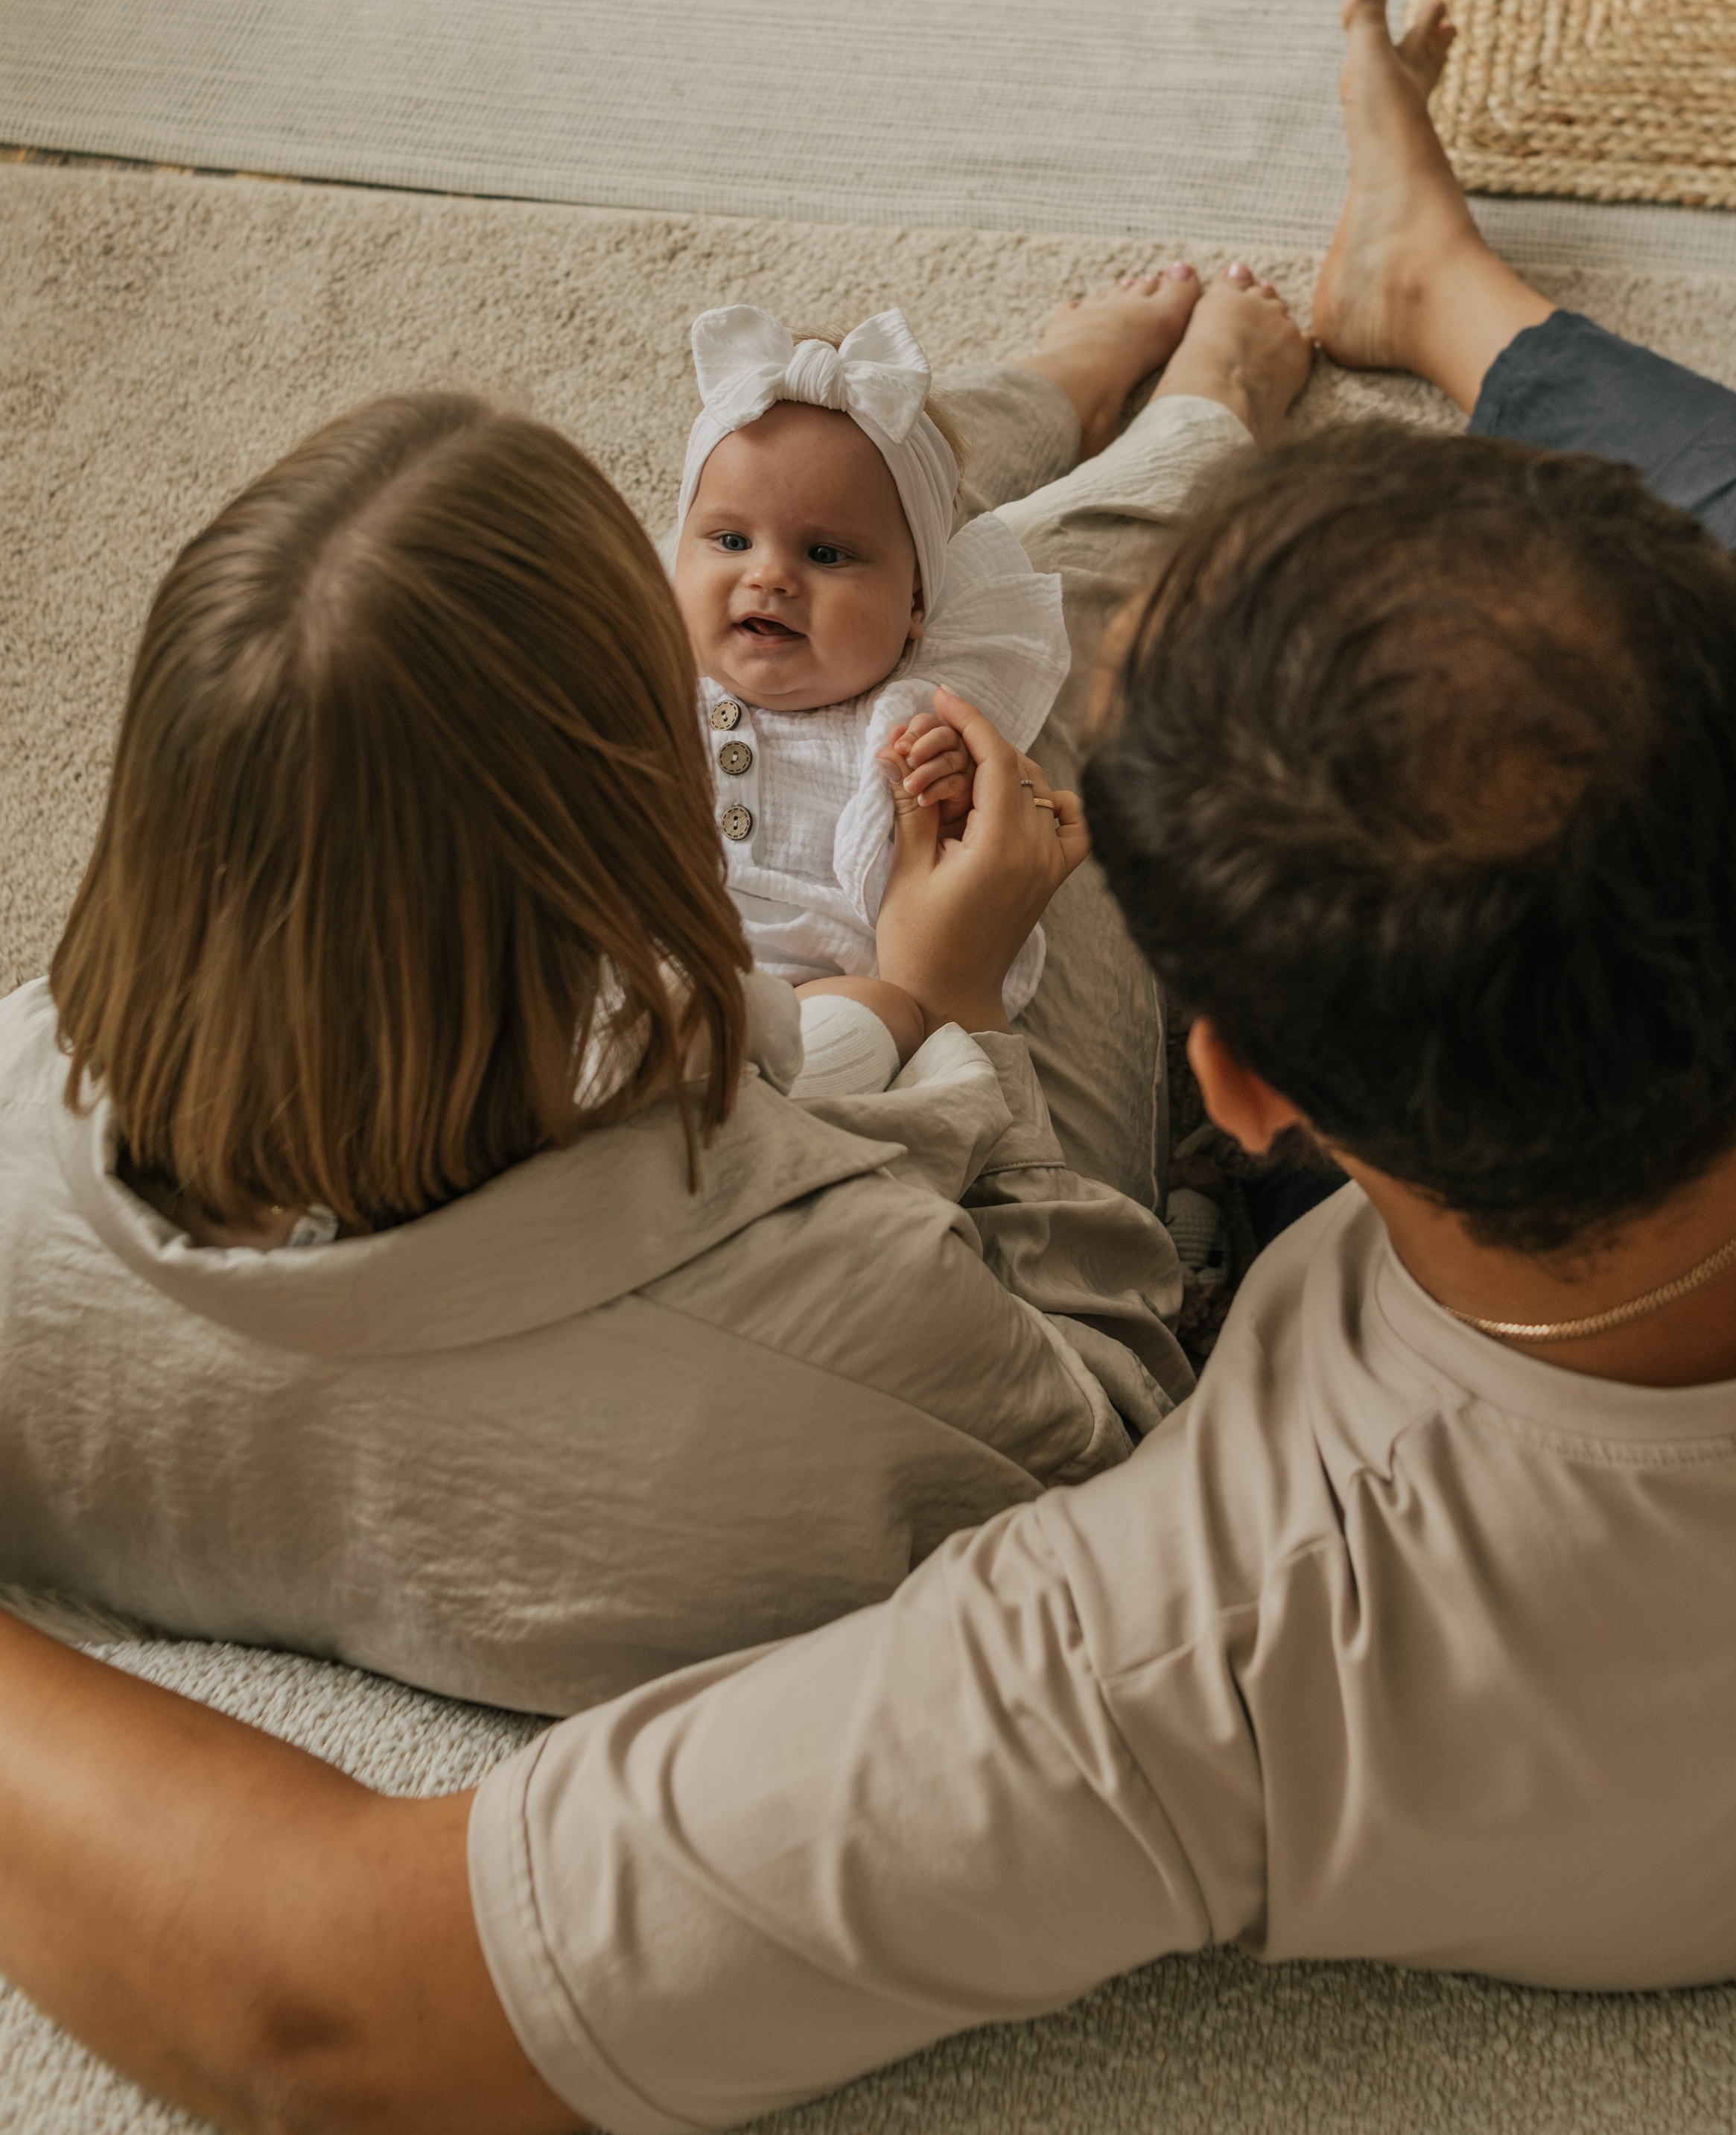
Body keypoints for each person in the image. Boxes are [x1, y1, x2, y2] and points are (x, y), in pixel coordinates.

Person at [5, 0, 1736, 2135]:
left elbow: (312, 2000)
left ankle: (1431, 294)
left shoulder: (1186, 1648)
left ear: (1244, 1090)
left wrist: (940, 1002)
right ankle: (1444, 291)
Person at [0, 272, 1309, 1716]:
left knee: (822, 557)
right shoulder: (861, 1340)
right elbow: (1107, 1438)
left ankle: (1016, 405)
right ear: (650, 808)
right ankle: (1181, 426)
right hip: (874, 1080)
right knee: (1011, 689)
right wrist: (955, 1003)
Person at [673, 296, 1073, 1088]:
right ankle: (1077, 386)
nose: (770, 574)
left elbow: (960, 909)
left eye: (825, 552)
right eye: (729, 540)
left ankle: (1087, 388)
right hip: (648, 985)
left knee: (881, 1009)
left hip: (807, 1002)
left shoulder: (898, 727)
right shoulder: (645, 681)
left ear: (916, 608)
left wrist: (946, 795)